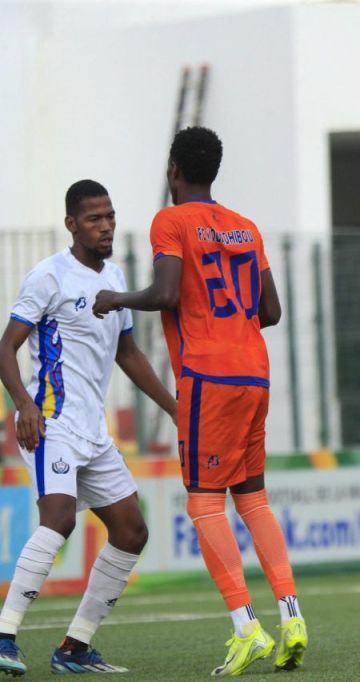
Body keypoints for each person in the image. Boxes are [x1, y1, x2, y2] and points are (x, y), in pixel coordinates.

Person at [92, 127, 308, 675]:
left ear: (174, 171)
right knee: (253, 499)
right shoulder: (245, 227)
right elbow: (272, 311)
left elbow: (165, 293)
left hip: (207, 375)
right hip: (255, 372)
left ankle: (245, 627)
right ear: (213, 170)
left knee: (205, 503)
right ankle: (292, 616)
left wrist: (114, 297)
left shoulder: (171, 221)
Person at [0, 180, 177, 675]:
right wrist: (24, 404)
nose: (107, 226)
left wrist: (174, 408)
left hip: (92, 434)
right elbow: (6, 346)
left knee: (131, 530)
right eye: (95, 219)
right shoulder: (48, 276)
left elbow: (128, 354)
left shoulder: (116, 277)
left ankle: (75, 647)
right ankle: (4, 636)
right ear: (72, 224)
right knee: (59, 518)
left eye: (111, 217)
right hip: (50, 422)